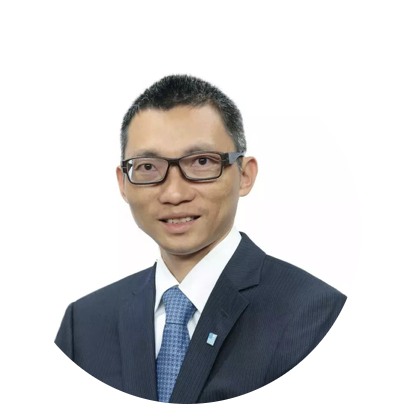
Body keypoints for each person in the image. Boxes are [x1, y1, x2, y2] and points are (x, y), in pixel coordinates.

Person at [55, 74, 347, 403]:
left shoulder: (317, 315)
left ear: (244, 175)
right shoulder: (84, 324)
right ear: (123, 183)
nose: (174, 193)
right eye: (148, 167)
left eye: (202, 162)